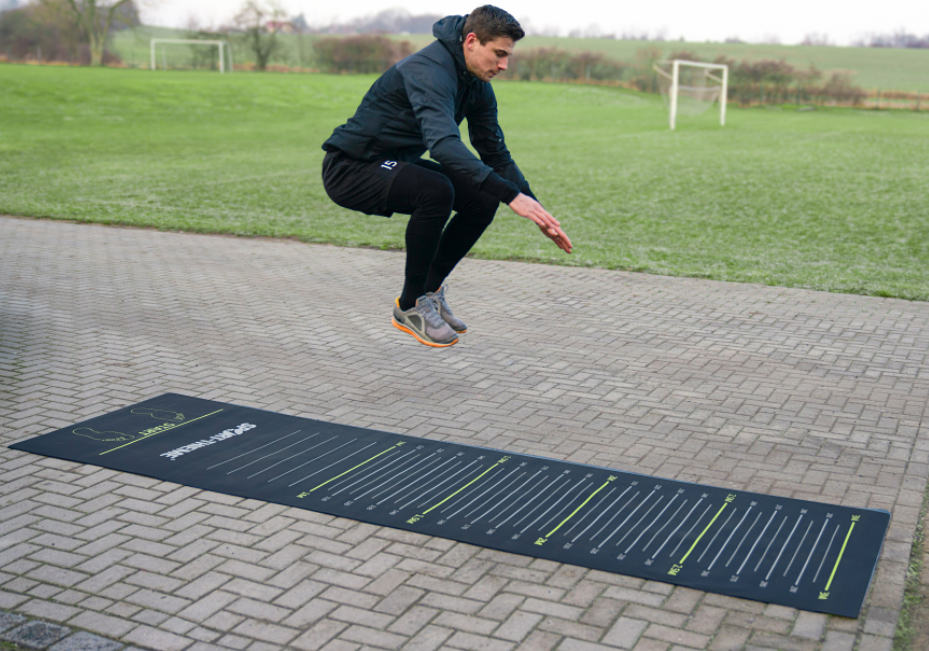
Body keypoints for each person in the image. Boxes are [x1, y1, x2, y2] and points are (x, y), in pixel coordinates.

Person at [321, 5, 572, 348]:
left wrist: (534, 206)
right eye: (499, 54)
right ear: (471, 41)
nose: (504, 65)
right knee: (436, 190)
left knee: (482, 197)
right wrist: (511, 195)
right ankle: (410, 306)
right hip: (351, 168)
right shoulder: (430, 71)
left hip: (393, 163)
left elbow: (495, 155)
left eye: (508, 56)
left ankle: (429, 291)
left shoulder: (476, 83)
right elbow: (442, 145)